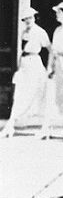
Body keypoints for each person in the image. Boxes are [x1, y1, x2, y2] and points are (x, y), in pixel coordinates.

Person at [1, 7, 51, 138]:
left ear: (34, 18)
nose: (28, 21)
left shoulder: (40, 32)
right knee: (19, 95)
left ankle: (45, 127)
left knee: (37, 94)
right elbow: (22, 51)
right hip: (24, 65)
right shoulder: (23, 32)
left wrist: (49, 66)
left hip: (35, 63)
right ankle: (10, 125)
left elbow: (50, 49)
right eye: (25, 19)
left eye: (30, 18)